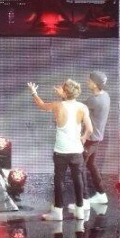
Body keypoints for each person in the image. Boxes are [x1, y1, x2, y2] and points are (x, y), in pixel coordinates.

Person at [27, 79, 93, 221]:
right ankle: (80, 211)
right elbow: (90, 129)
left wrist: (33, 92)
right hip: (76, 151)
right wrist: (83, 138)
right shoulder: (82, 107)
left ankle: (57, 212)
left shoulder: (58, 105)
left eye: (62, 88)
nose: (59, 89)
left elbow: (41, 105)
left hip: (61, 151)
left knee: (59, 180)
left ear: (65, 92)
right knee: (78, 179)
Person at [68, 71, 110, 212]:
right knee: (91, 165)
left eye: (90, 80)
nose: (87, 81)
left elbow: (76, 108)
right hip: (97, 139)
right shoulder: (106, 96)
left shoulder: (94, 100)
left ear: (96, 84)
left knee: (79, 169)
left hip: (90, 140)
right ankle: (101, 195)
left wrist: (65, 96)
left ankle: (84, 201)